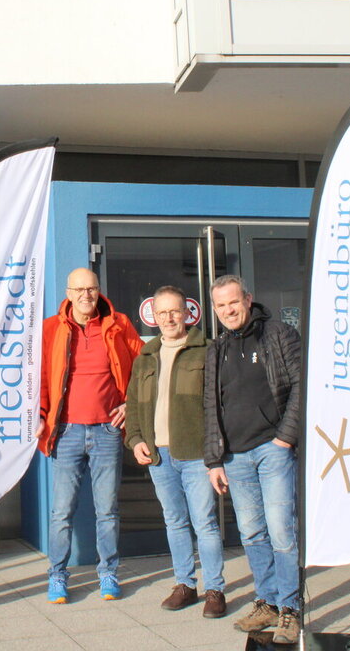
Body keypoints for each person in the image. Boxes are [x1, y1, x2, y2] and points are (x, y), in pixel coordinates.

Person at [203, 274, 302, 645]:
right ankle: (268, 602)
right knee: (252, 533)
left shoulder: (278, 334)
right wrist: (214, 460)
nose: (228, 310)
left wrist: (285, 438)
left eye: (233, 302)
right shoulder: (217, 349)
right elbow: (210, 406)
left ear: (248, 299)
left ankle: (290, 608)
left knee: (281, 531)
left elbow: (301, 385)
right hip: (234, 456)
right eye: (221, 305)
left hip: (272, 450)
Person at [39, 267, 145, 603]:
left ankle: (108, 574)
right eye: (80, 289)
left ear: (98, 290)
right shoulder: (51, 329)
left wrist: (130, 403)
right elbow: (42, 377)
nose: (87, 295)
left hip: (107, 431)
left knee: (107, 510)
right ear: (68, 294)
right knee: (61, 512)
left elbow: (144, 367)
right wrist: (41, 414)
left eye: (92, 288)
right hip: (67, 431)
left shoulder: (119, 324)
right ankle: (57, 576)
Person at [125, 285, 227, 618]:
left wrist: (214, 453)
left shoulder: (206, 351)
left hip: (195, 453)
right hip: (159, 455)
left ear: (186, 313)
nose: (168, 318)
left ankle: (215, 590)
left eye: (174, 311)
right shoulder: (145, 356)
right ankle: (185, 584)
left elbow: (218, 406)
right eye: (162, 312)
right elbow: (133, 403)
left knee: (205, 523)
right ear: (153, 316)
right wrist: (135, 439)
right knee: (175, 522)